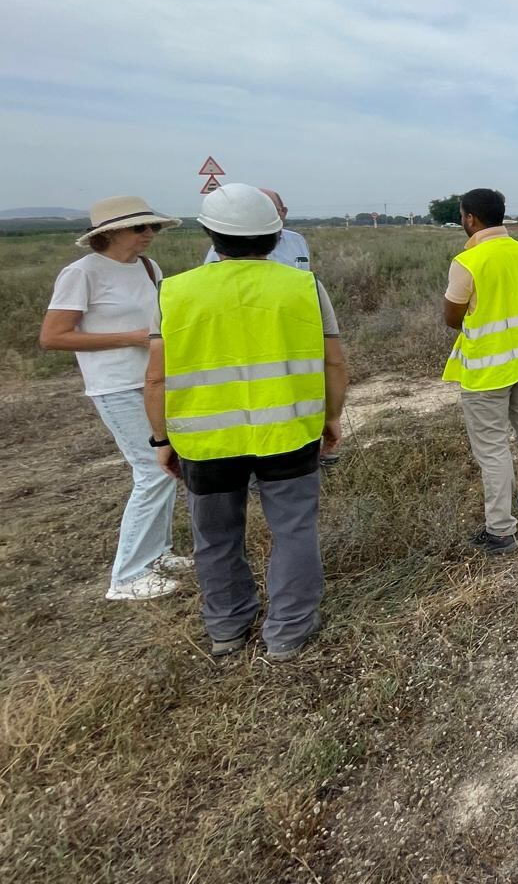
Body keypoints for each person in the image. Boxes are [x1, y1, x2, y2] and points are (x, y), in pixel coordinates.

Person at [144, 184, 346, 662]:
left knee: (214, 537)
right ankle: (288, 633)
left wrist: (161, 438)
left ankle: (227, 628)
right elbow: (333, 364)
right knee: (294, 529)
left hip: (204, 442)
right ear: (277, 236)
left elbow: (156, 377)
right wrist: (330, 418)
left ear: (210, 234)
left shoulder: (173, 291)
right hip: (289, 433)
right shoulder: (304, 286)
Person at [40, 196, 189, 601]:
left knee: (169, 465)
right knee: (152, 470)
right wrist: (133, 338)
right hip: (116, 385)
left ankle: (157, 554)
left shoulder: (147, 267)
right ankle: (128, 576)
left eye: (153, 227)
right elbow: (53, 336)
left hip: (153, 380)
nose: (149, 235)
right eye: (141, 228)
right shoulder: (81, 273)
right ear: (109, 233)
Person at [443, 187, 518, 554]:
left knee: (492, 449)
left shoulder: (469, 262)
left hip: (486, 371)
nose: (463, 221)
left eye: (463, 215)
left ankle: (500, 530)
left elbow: (452, 317)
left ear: (471, 218)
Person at [203, 188, 310, 270]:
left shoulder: (297, 240)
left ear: (284, 212)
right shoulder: (226, 245)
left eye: (272, 210)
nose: (265, 217)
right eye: (258, 211)